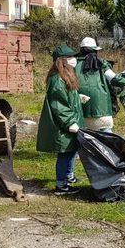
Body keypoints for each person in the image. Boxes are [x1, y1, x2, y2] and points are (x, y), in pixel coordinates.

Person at [36, 45, 85, 195]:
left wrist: (78, 97)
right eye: (70, 57)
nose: (74, 59)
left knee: (70, 151)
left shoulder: (66, 75)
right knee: (64, 154)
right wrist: (70, 122)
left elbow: (66, 97)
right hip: (63, 126)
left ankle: (67, 178)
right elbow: (58, 105)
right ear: (61, 60)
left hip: (69, 123)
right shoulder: (57, 79)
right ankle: (61, 186)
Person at [75, 37, 125, 133]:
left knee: (82, 136)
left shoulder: (72, 63)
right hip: (101, 108)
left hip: (80, 107)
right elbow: (112, 77)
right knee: (106, 135)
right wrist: (124, 83)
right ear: (95, 50)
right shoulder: (101, 63)